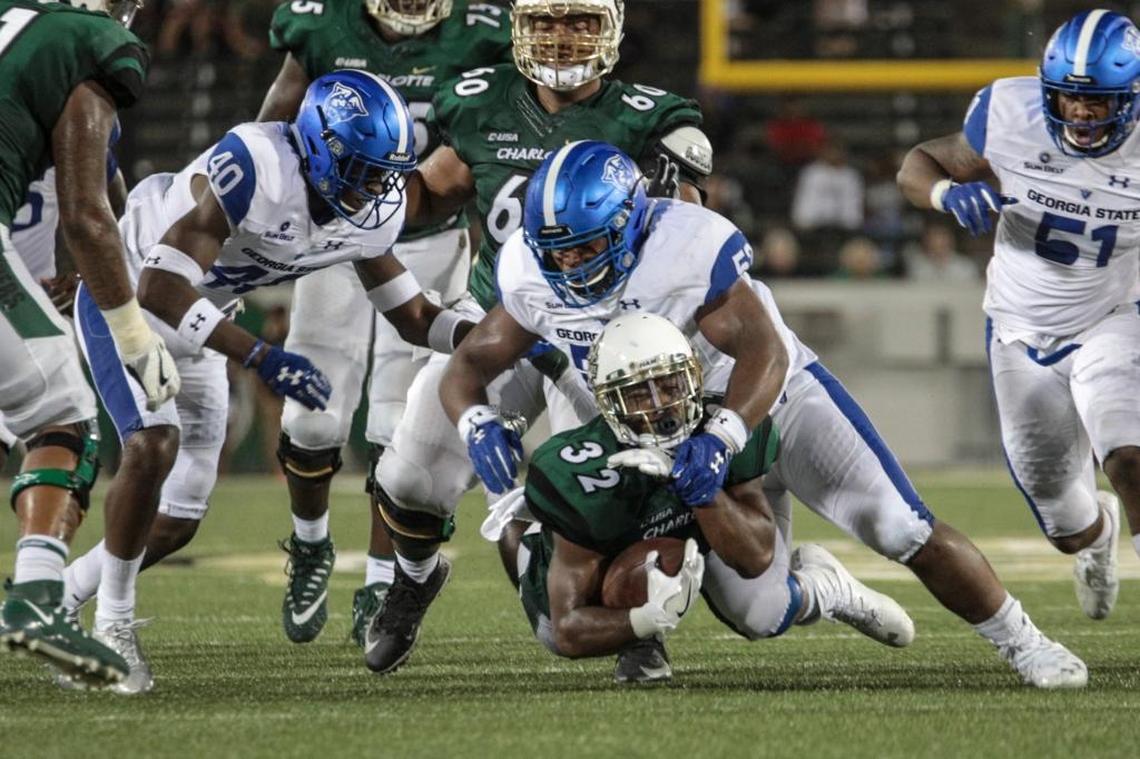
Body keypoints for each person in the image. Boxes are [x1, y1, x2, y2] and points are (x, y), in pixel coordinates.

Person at [443, 140, 1089, 689]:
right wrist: (475, 422)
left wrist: (724, 434)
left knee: (898, 525)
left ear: (630, 223)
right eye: (557, 250)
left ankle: (1022, 639)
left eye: (586, 248)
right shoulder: (532, 273)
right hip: (665, 429)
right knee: (758, 610)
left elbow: (766, 351)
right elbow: (469, 365)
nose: (570, 266)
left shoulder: (684, 246)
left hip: (769, 401)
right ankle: (823, 591)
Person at [59, 70, 476, 693]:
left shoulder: (371, 206)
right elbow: (160, 286)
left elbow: (414, 317)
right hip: (125, 294)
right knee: (152, 444)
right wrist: (260, 356)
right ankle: (111, 630)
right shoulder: (257, 162)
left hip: (205, 317)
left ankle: (55, 598)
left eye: (384, 172)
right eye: (361, 170)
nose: (375, 189)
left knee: (179, 516)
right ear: (318, 147)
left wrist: (491, 338)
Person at [364, 0, 716, 676]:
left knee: (615, 483)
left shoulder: (648, 116)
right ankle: (414, 576)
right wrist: (356, 200)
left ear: (611, 28)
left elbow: (692, 226)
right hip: (503, 315)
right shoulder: (479, 100)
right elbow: (429, 193)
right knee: (409, 470)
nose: (561, 38)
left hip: (605, 333)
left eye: (580, 22)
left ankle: (634, 626)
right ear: (522, 27)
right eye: (548, 22)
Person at [257, 0, 512, 648]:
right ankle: (311, 546)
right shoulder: (323, 24)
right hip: (335, 226)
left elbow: (490, 154)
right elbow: (271, 133)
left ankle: (379, 576)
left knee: (400, 425)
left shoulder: (484, 35)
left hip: (432, 238)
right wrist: (268, 243)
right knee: (310, 418)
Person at [505, 312, 915, 682]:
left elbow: (754, 557)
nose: (660, 406)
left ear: (693, 379)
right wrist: (644, 620)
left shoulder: (721, 428)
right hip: (601, 556)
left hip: (701, 522)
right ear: (610, 404)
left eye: (669, 385)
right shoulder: (578, 475)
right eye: (638, 394)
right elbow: (568, 630)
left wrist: (696, 485)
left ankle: (825, 588)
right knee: (555, 633)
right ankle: (639, 643)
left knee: (762, 613)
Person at [897, 9, 1140, 623]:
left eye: (1099, 103)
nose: (1081, 115)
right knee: (1064, 522)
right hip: (1018, 327)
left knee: (1129, 454)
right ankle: (1096, 536)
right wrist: (946, 193)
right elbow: (917, 165)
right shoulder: (1010, 113)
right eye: (1069, 99)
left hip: (1116, 312)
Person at [0, 0, 179, 688]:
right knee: (61, 413)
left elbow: (104, 184)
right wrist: (133, 334)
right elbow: (83, 211)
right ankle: (41, 595)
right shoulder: (94, 42)